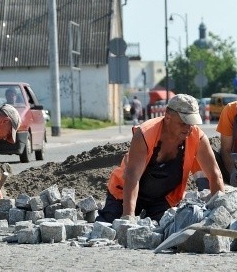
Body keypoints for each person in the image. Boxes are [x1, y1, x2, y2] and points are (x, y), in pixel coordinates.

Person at [96, 94, 225, 223]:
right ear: (168, 116)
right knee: (109, 224)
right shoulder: (145, 134)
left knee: (166, 231)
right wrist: (127, 220)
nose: (188, 128)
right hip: (124, 193)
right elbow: (132, 177)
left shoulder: (197, 137)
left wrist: (219, 214)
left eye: (191, 123)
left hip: (161, 200)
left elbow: (215, 175)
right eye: (183, 122)